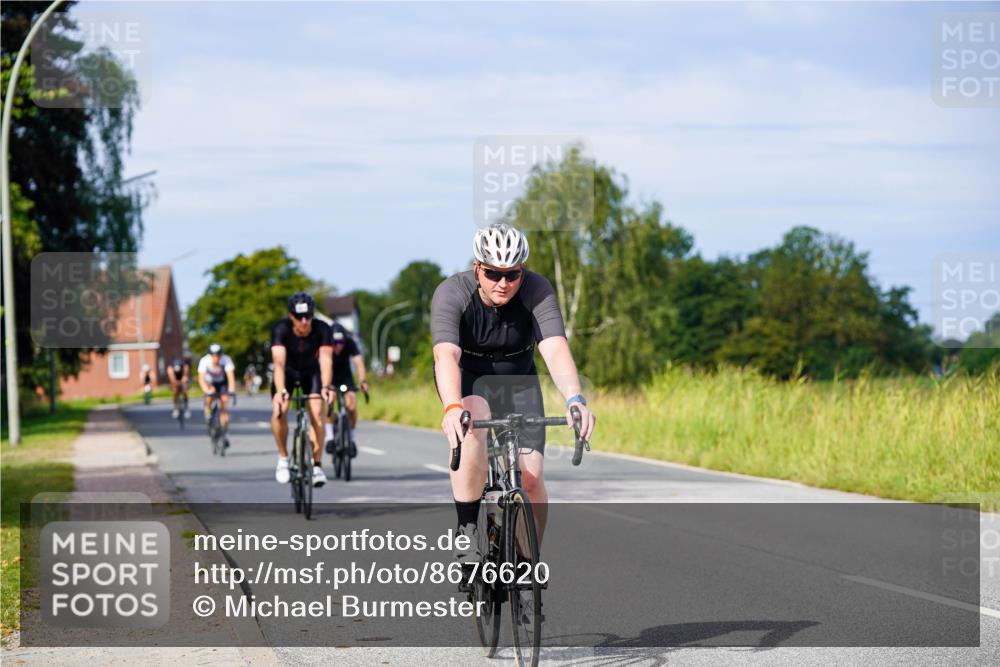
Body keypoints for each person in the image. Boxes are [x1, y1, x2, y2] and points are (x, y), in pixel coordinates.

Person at [430, 223, 596, 565]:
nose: (503, 283)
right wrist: (451, 406)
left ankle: (526, 561)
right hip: (471, 380)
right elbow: (446, 355)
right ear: (477, 267)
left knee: (532, 480)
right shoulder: (452, 292)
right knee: (472, 424)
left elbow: (554, 347)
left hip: (519, 380)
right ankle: (467, 529)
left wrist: (575, 399)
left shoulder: (536, 289)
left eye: (512, 274)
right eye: (493, 274)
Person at [270, 292, 334, 487]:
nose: (304, 321)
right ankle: (283, 458)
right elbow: (279, 364)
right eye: (299, 317)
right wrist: (281, 391)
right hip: (287, 373)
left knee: (317, 412)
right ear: (291, 316)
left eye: (308, 316)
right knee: (280, 411)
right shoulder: (281, 329)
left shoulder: (322, 329)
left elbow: (325, 360)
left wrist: (326, 386)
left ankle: (316, 466)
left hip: (311, 373)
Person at [324, 324, 369, 457]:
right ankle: (330, 437)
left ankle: (352, 438)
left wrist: (362, 381)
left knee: (351, 406)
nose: (338, 345)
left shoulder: (350, 343)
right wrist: (326, 385)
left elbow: (359, 363)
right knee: (329, 404)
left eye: (340, 342)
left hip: (345, 378)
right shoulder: (325, 345)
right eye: (335, 342)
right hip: (330, 378)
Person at [197, 343, 237, 447]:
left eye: (218, 355)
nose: (216, 358)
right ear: (210, 355)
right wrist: (206, 390)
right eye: (214, 356)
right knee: (210, 396)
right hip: (209, 383)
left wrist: (231, 390)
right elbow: (201, 378)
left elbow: (231, 377)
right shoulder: (204, 361)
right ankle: (208, 415)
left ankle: (225, 434)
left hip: (222, 383)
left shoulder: (226, 360)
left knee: (224, 405)